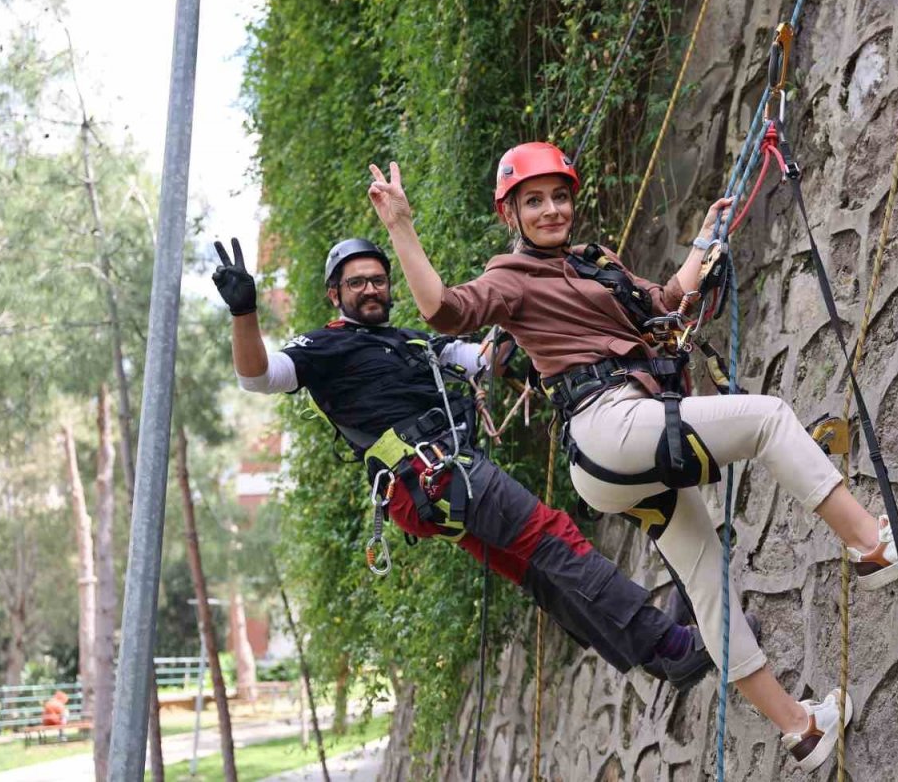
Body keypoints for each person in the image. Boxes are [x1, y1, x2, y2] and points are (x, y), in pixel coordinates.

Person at [368, 147, 898, 771]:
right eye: (534, 201)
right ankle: (871, 545)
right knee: (766, 420)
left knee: (707, 575)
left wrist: (701, 248)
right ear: (510, 214)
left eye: (559, 196)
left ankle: (800, 729)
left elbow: (663, 304)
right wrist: (401, 228)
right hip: (608, 425)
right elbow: (443, 309)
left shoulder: (592, 262)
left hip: (609, 455)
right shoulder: (511, 279)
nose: (552, 210)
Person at [211, 236, 717, 690]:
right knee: (555, 537)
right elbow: (259, 376)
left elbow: (486, 358)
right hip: (435, 475)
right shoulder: (324, 346)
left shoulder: (412, 342)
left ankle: (657, 655)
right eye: (356, 282)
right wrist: (244, 314)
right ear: (334, 294)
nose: (370, 289)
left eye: (378, 280)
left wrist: (523, 301)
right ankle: (672, 646)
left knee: (536, 570)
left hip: (434, 487)